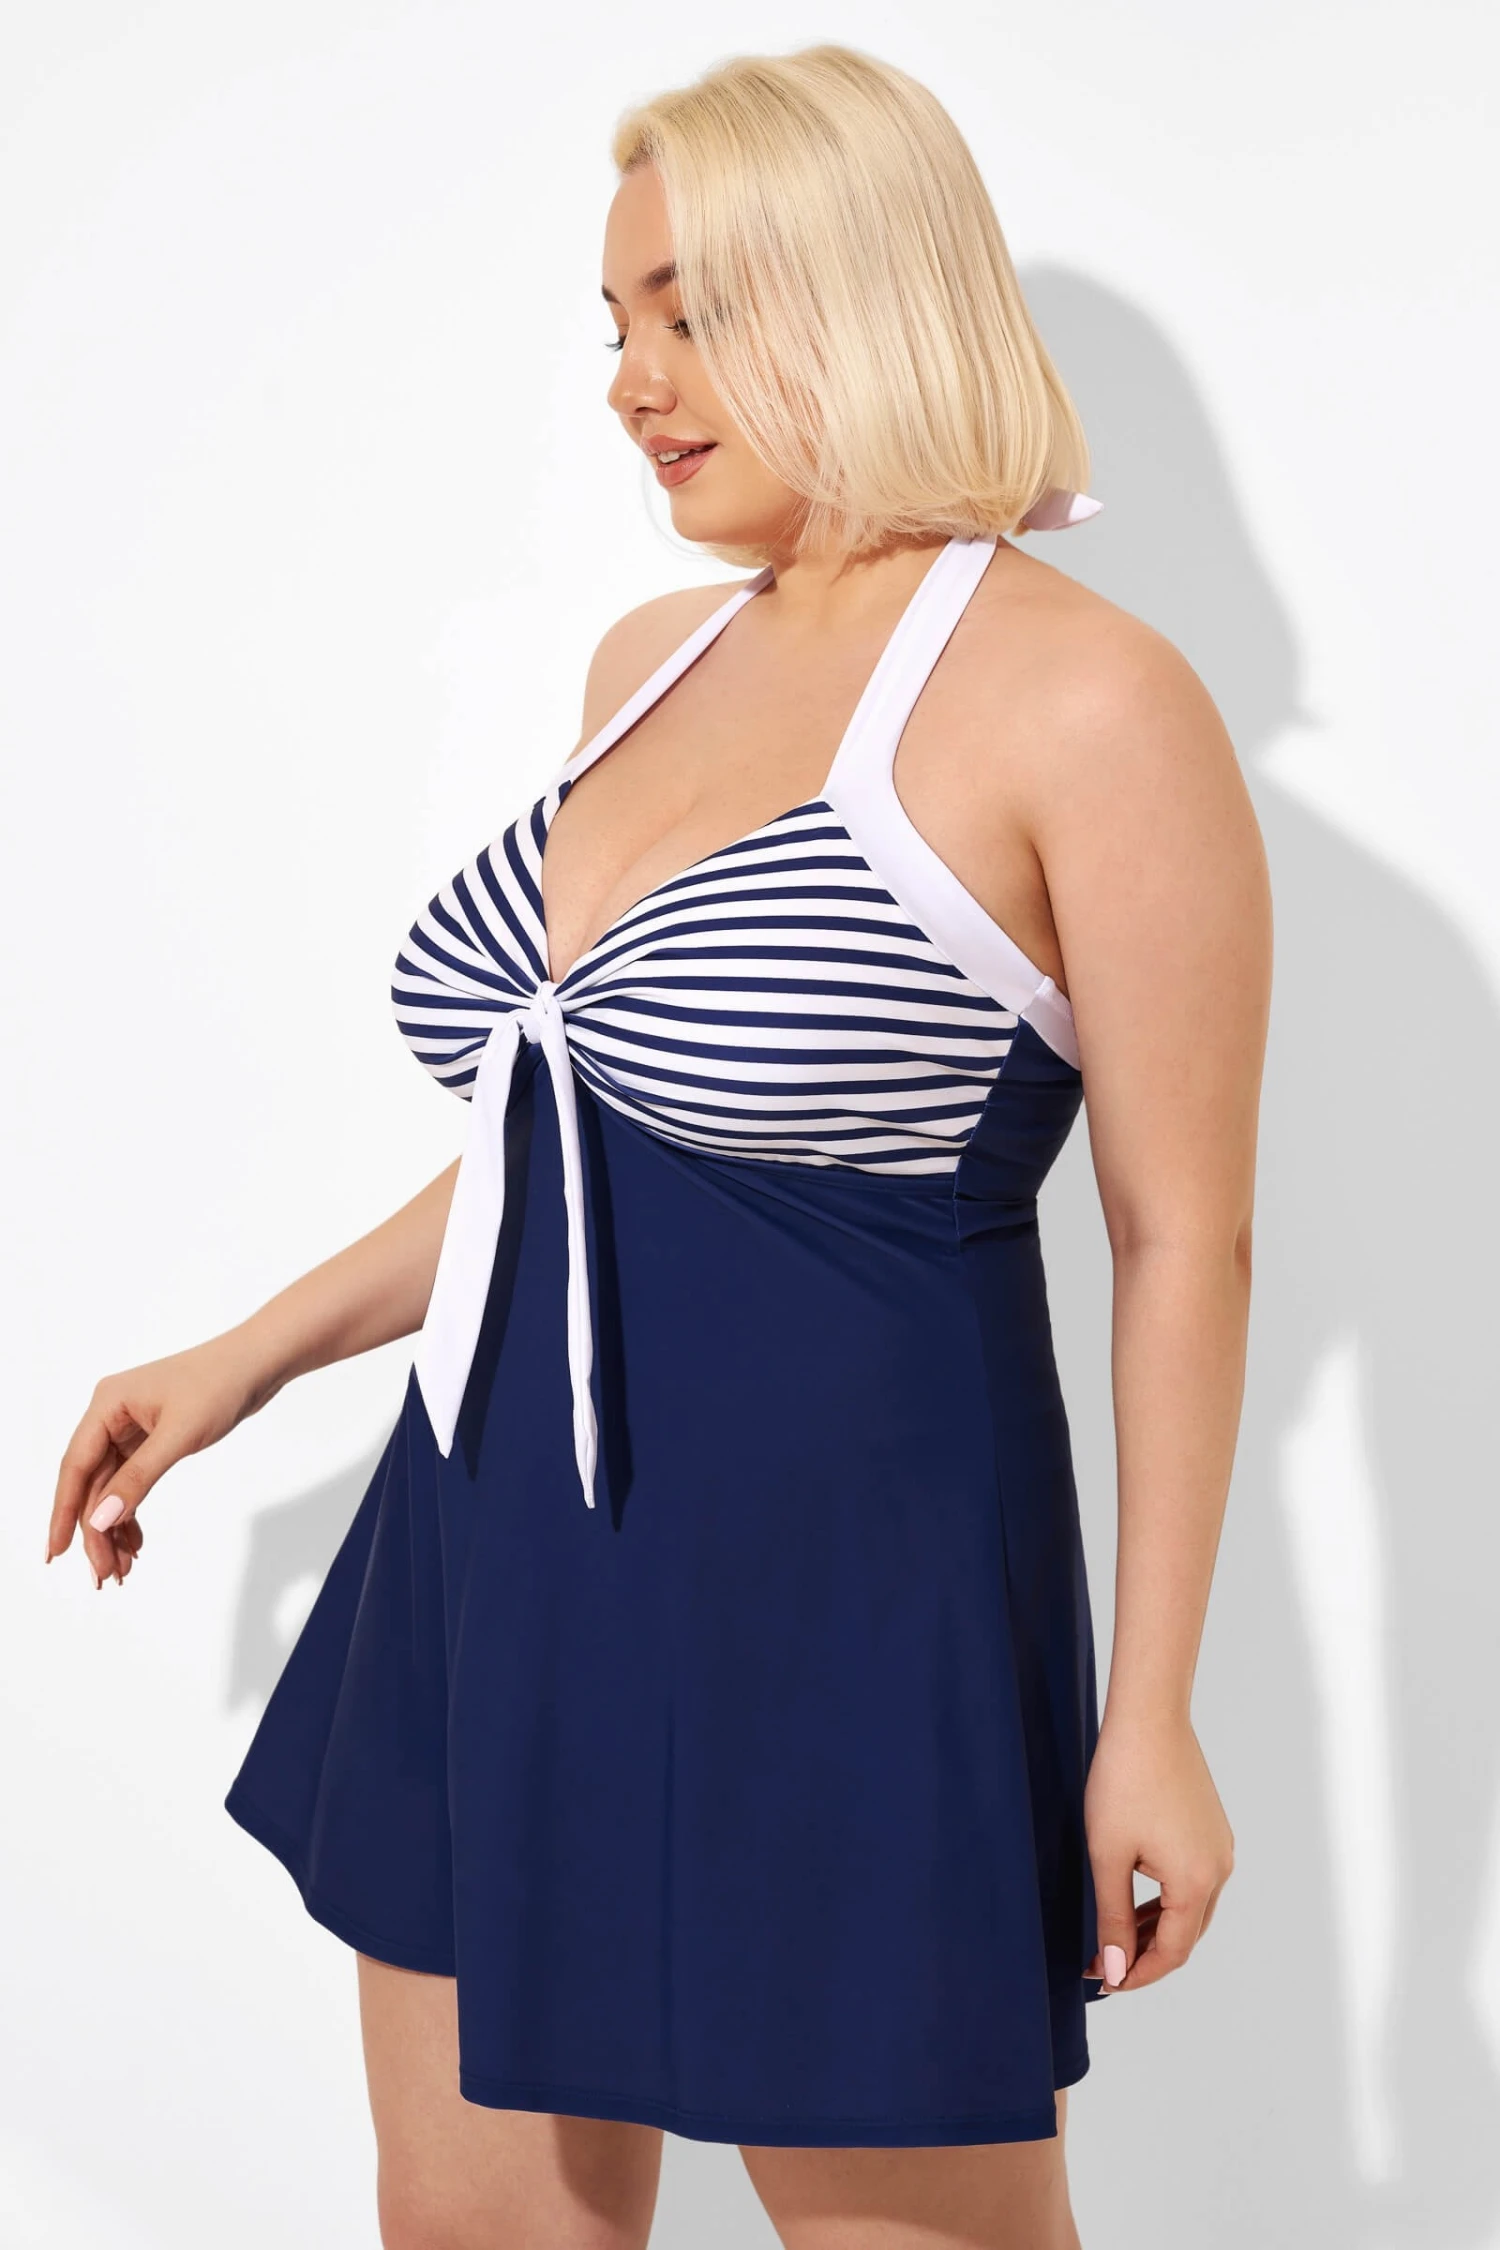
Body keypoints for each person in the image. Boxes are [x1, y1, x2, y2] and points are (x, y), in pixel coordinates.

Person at [46, 42, 1269, 2250]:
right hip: (490, 1543)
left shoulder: (1090, 702)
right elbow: (576, 1143)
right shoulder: (647, 660)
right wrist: (246, 1357)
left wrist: (1150, 1713)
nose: (634, 382)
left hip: (844, 1596)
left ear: (866, 294)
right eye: (617, 321)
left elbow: (1185, 1237)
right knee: (474, 2230)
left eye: (692, 314)